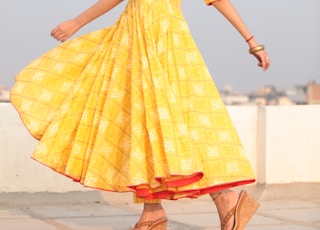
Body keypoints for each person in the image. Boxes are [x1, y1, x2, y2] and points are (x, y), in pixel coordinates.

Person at [11, 0, 270, 229]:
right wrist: (252, 44)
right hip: (134, 38)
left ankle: (219, 198)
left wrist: (252, 42)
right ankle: (155, 212)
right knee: (143, 123)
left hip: (162, 42)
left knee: (170, 123)